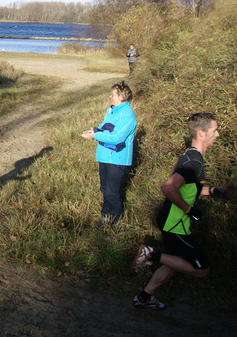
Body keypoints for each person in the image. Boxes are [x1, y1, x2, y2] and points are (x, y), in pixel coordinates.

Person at [133, 113, 228, 310]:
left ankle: (144, 298)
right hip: (175, 224)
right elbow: (169, 188)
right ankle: (150, 254)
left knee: (174, 263)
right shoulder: (194, 162)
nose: (217, 134)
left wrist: (211, 191)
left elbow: (187, 188)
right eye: (214, 130)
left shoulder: (191, 155)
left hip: (172, 220)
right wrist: (190, 210)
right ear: (201, 133)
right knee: (201, 269)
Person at [81, 81, 137, 225]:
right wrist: (94, 131)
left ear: (121, 97)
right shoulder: (111, 110)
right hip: (105, 156)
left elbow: (117, 137)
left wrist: (95, 136)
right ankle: (105, 217)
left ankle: (116, 219)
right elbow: (104, 127)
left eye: (113, 94)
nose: (110, 97)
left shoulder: (127, 116)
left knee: (112, 191)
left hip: (117, 159)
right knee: (104, 189)